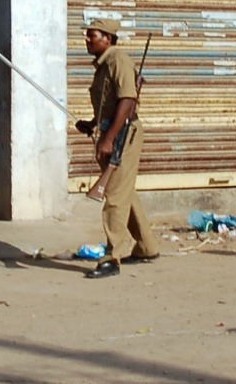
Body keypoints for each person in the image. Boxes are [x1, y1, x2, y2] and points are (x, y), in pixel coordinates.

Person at [76, 19, 159, 279]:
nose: (88, 40)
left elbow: (127, 100)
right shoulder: (103, 65)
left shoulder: (118, 59)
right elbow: (110, 103)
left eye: (93, 36)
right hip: (112, 131)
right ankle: (146, 248)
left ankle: (113, 257)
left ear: (108, 39)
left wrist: (109, 138)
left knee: (114, 196)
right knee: (124, 192)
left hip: (124, 135)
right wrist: (92, 123)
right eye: (88, 36)